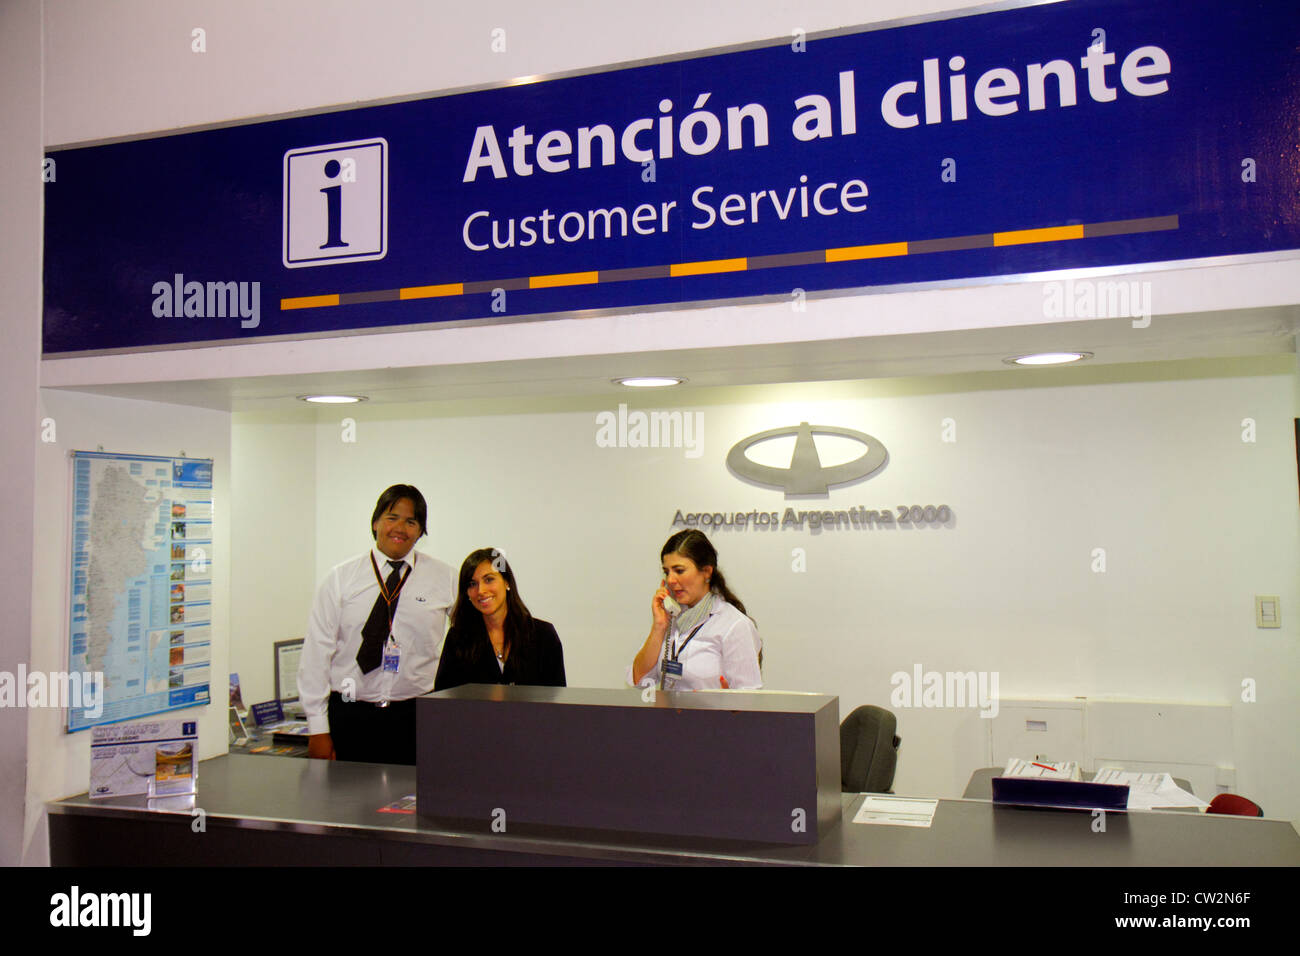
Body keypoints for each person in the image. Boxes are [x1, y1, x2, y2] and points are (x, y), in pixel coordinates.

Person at [298, 484, 455, 764]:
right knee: (346, 805)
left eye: (411, 521)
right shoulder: (340, 579)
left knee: (413, 805)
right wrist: (317, 728)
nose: (400, 528)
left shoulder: (445, 579)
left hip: (415, 717)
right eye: (391, 517)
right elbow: (316, 655)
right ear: (375, 522)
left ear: (420, 531)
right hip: (349, 714)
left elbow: (472, 638)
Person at [628, 529, 762, 691]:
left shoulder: (735, 625)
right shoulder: (670, 619)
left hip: (710, 717)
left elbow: (749, 701)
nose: (670, 580)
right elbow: (639, 682)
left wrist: (724, 702)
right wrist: (659, 627)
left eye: (679, 571)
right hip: (667, 716)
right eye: (666, 572)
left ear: (706, 572)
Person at [434, 548, 565, 690]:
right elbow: (444, 700)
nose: (481, 591)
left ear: (507, 582)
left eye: (489, 579)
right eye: (472, 584)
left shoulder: (543, 635)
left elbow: (556, 699)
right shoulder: (458, 638)